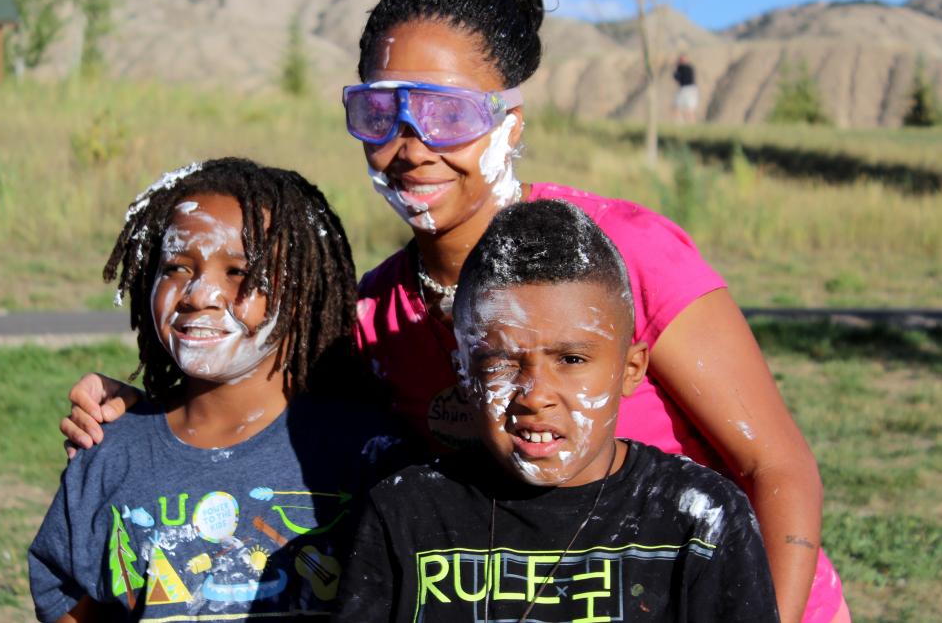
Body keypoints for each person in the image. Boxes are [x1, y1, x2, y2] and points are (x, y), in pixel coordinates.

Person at [60, 0, 848, 623]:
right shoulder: (372, 318)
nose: (410, 145)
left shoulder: (622, 256)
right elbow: (257, 408)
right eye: (379, 111)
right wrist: (146, 411)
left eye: (446, 112)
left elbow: (776, 466)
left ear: (510, 122)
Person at [334, 200, 780, 622]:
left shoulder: (698, 519)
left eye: (571, 359)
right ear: (464, 374)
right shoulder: (406, 514)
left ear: (630, 370)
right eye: (502, 362)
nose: (534, 395)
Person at [30, 158, 399, 622]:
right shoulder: (111, 454)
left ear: (304, 290)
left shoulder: (368, 453)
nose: (198, 294)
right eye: (176, 267)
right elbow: (71, 604)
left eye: (239, 272)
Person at [673, 54, 699, 123]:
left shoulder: (685, 68)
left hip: (688, 90)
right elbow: (677, 78)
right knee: (678, 107)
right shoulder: (682, 67)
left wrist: (676, 68)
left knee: (689, 110)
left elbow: (677, 77)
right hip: (685, 89)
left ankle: (691, 124)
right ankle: (679, 123)